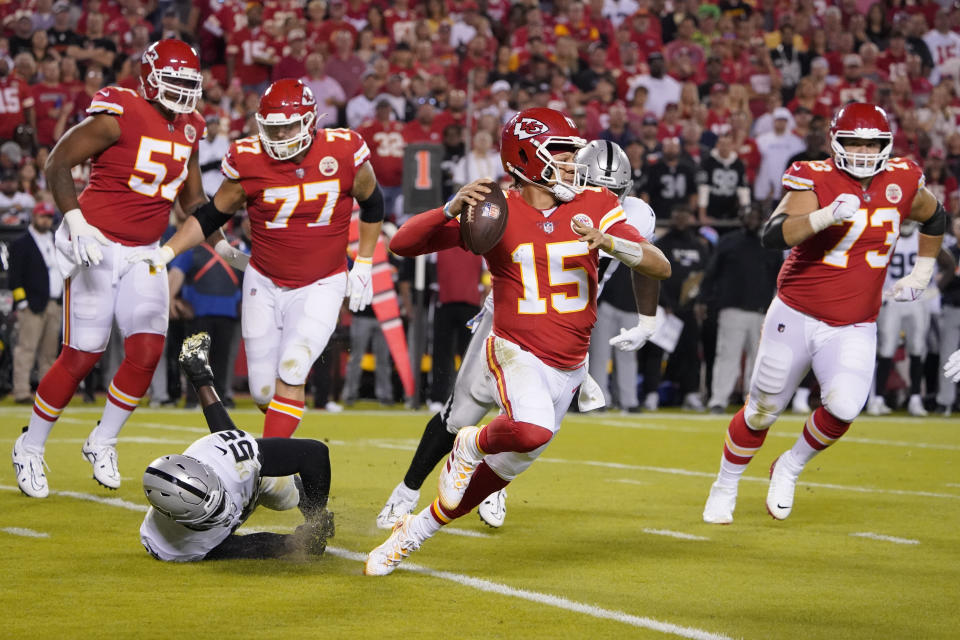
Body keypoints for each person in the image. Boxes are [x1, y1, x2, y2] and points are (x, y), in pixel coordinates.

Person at [366, 109, 670, 575]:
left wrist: (610, 243)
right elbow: (403, 244)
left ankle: (411, 534)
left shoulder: (597, 204)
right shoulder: (497, 210)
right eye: (565, 154)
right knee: (528, 429)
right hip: (514, 347)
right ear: (528, 159)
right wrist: (448, 209)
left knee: (493, 479)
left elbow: (657, 265)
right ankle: (464, 446)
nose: (576, 163)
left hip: (568, 362)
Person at [702, 103, 945, 524]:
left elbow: (936, 217)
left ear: (887, 144)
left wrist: (922, 272)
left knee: (846, 407)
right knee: (761, 410)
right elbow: (772, 232)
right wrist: (823, 216)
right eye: (855, 142)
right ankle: (726, 483)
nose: (865, 151)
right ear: (837, 142)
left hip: (855, 322)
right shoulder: (814, 177)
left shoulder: (902, 178)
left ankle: (790, 466)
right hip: (797, 313)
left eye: (873, 143)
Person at [11, 40, 209, 499]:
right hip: (96, 244)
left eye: (188, 83)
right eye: (174, 80)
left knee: (146, 351)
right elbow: (58, 162)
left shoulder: (192, 127)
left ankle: (104, 440)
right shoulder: (118, 109)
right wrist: (75, 221)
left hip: (146, 250)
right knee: (83, 353)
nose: (181, 91)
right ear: (151, 78)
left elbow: (192, 200)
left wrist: (219, 235)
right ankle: (31, 446)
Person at [133, 77, 383, 439]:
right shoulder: (248, 158)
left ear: (310, 121)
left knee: (294, 368)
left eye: (287, 129)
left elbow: (373, 204)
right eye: (273, 130)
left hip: (322, 281)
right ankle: (282, 450)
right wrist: (166, 252)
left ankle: (271, 467)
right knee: (265, 392)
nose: (279, 138)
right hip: (263, 281)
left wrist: (363, 263)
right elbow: (210, 217)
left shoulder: (343, 151)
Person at [140, 332, 334, 562]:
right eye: (212, 515)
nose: (226, 511)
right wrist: (294, 543)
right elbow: (243, 546)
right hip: (225, 488)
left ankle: (200, 378)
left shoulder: (222, 459)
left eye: (219, 500)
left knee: (282, 489)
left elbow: (314, 454)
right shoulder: (178, 548)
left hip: (237, 470)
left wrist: (316, 518)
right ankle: (200, 377)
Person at [698, 204, 782, 413]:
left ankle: (753, 401)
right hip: (732, 308)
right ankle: (718, 399)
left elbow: (780, 279)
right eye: (748, 216)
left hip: (763, 310)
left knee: (759, 358)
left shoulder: (770, 244)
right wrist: (702, 299)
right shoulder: (728, 242)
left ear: (762, 219)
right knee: (727, 355)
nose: (751, 220)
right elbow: (711, 273)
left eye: (755, 216)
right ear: (740, 218)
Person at [9, 202, 63, 404]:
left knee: (49, 353)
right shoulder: (21, 243)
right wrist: (21, 301)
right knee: (26, 348)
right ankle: (21, 391)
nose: (46, 220)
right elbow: (14, 276)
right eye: (42, 216)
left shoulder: (54, 240)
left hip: (53, 303)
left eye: (49, 217)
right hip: (32, 304)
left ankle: (45, 393)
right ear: (34, 216)